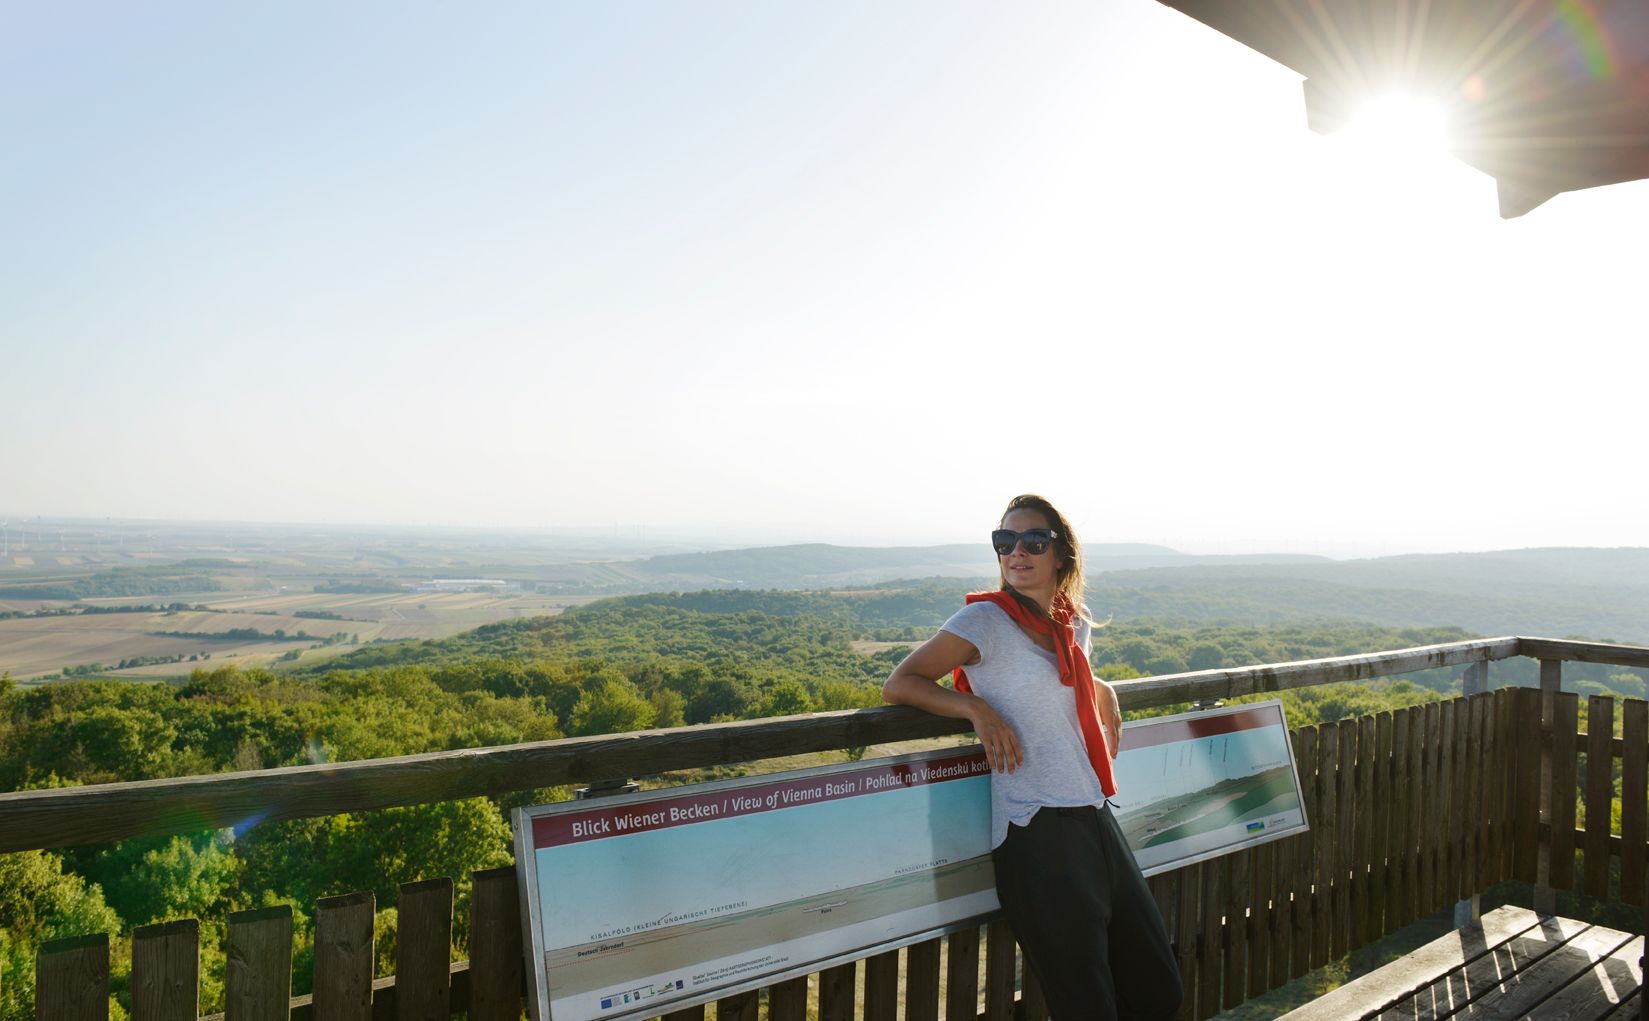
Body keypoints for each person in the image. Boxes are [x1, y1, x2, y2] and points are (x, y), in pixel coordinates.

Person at [881, 493, 1182, 1021]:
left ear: (1061, 554)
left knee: (1157, 987)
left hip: (1093, 813)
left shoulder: (1071, 623)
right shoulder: (983, 622)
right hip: (1035, 827)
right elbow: (900, 683)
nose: (1016, 552)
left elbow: (1055, 685)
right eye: (1005, 541)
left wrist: (1099, 685)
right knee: (1086, 1002)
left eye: (1033, 541)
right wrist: (975, 707)